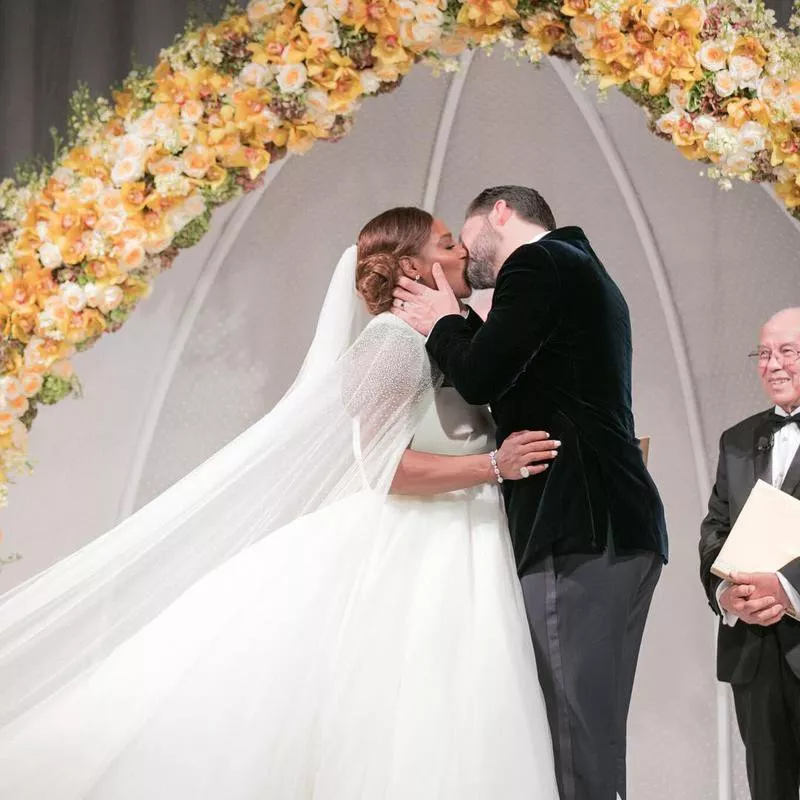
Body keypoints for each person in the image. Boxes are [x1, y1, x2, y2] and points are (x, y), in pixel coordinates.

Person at [0, 207, 560, 799]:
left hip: (462, 535)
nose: (461, 256)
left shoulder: (441, 339)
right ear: (413, 269)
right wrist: (493, 466)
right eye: (448, 246)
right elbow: (383, 468)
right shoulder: (392, 345)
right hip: (417, 542)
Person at [393, 185, 668, 800]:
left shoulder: (537, 263)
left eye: (465, 238)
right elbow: (522, 370)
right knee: (591, 734)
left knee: (570, 735)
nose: (466, 255)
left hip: (578, 526)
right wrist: (460, 322)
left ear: (500, 212)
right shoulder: (583, 272)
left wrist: (441, 324)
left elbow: (484, 375)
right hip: (620, 529)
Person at [700, 307, 800, 800]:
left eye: (787, 351)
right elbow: (716, 529)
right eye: (764, 353)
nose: (773, 364)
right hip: (754, 656)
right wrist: (727, 593)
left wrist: (786, 587)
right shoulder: (737, 439)